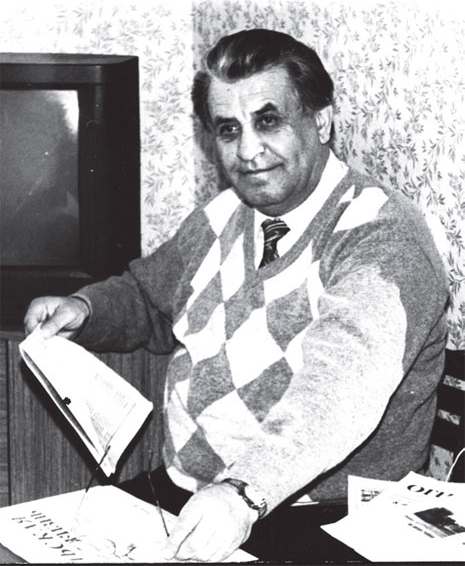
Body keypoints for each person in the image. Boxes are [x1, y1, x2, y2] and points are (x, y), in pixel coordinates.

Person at [24, 29, 449, 562]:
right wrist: (87, 310)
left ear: (321, 121)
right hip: (187, 495)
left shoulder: (384, 236)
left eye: (268, 121)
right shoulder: (224, 213)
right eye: (229, 129)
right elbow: (150, 298)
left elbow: (339, 391)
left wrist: (244, 493)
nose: (248, 151)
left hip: (314, 515)